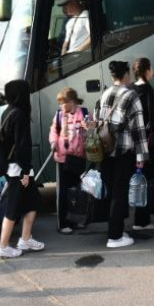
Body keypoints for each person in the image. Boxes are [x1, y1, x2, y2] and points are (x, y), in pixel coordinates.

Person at [95, 60, 150, 249]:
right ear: (126, 74)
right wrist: (141, 157)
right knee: (120, 194)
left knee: (112, 192)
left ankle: (115, 230)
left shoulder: (105, 93)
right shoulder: (131, 95)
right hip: (123, 152)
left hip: (105, 151)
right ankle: (115, 237)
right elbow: (139, 129)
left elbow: (98, 120)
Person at [0, 79, 45, 259]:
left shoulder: (8, 111)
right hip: (18, 170)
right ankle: (3, 246)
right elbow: (22, 146)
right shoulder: (20, 115)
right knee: (13, 208)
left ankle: (25, 238)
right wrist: (26, 171)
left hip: (12, 167)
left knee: (33, 203)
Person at [49, 87, 90, 234]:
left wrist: (89, 128)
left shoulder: (84, 113)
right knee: (63, 192)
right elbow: (53, 131)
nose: (61, 106)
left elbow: (91, 131)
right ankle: (63, 223)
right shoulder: (59, 115)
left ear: (71, 102)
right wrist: (53, 142)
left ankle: (77, 219)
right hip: (62, 158)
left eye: (63, 103)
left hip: (78, 158)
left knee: (78, 191)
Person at [130, 57, 154, 232]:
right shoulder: (148, 90)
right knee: (145, 181)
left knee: (136, 179)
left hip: (132, 142)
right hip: (145, 144)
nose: (153, 72)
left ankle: (138, 218)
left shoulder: (131, 89)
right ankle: (142, 221)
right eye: (151, 69)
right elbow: (151, 117)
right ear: (147, 70)